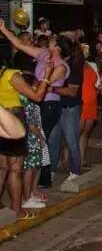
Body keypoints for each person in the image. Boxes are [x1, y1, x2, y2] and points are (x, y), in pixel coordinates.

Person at [0, 20, 69, 188]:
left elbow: (41, 88)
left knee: (39, 143)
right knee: (34, 143)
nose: (49, 38)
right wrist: (3, 29)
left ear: (58, 47)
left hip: (48, 106)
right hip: (34, 104)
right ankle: (34, 185)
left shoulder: (61, 66)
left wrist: (27, 81)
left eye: (53, 39)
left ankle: (41, 181)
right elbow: (19, 44)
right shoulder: (44, 54)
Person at [0, 60, 52, 218]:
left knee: (2, 169)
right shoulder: (11, 75)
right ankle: (17, 209)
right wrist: (47, 76)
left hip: (2, 120)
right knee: (15, 169)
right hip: (14, 120)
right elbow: (37, 96)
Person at [48, 42, 85, 185]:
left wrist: (51, 90)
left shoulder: (73, 65)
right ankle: (51, 170)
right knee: (53, 141)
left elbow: (72, 91)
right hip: (56, 106)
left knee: (71, 141)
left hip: (69, 107)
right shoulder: (59, 63)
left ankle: (75, 171)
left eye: (55, 46)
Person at [20, 75, 49, 209]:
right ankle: (27, 198)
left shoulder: (26, 99)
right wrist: (41, 138)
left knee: (33, 167)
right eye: (36, 85)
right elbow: (31, 124)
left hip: (30, 137)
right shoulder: (29, 101)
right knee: (29, 169)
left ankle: (30, 194)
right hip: (31, 138)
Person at [80, 55, 99, 167]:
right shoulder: (72, 65)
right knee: (77, 133)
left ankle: (81, 159)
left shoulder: (92, 65)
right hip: (82, 102)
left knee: (85, 132)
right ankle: (67, 160)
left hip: (91, 103)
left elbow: (97, 82)